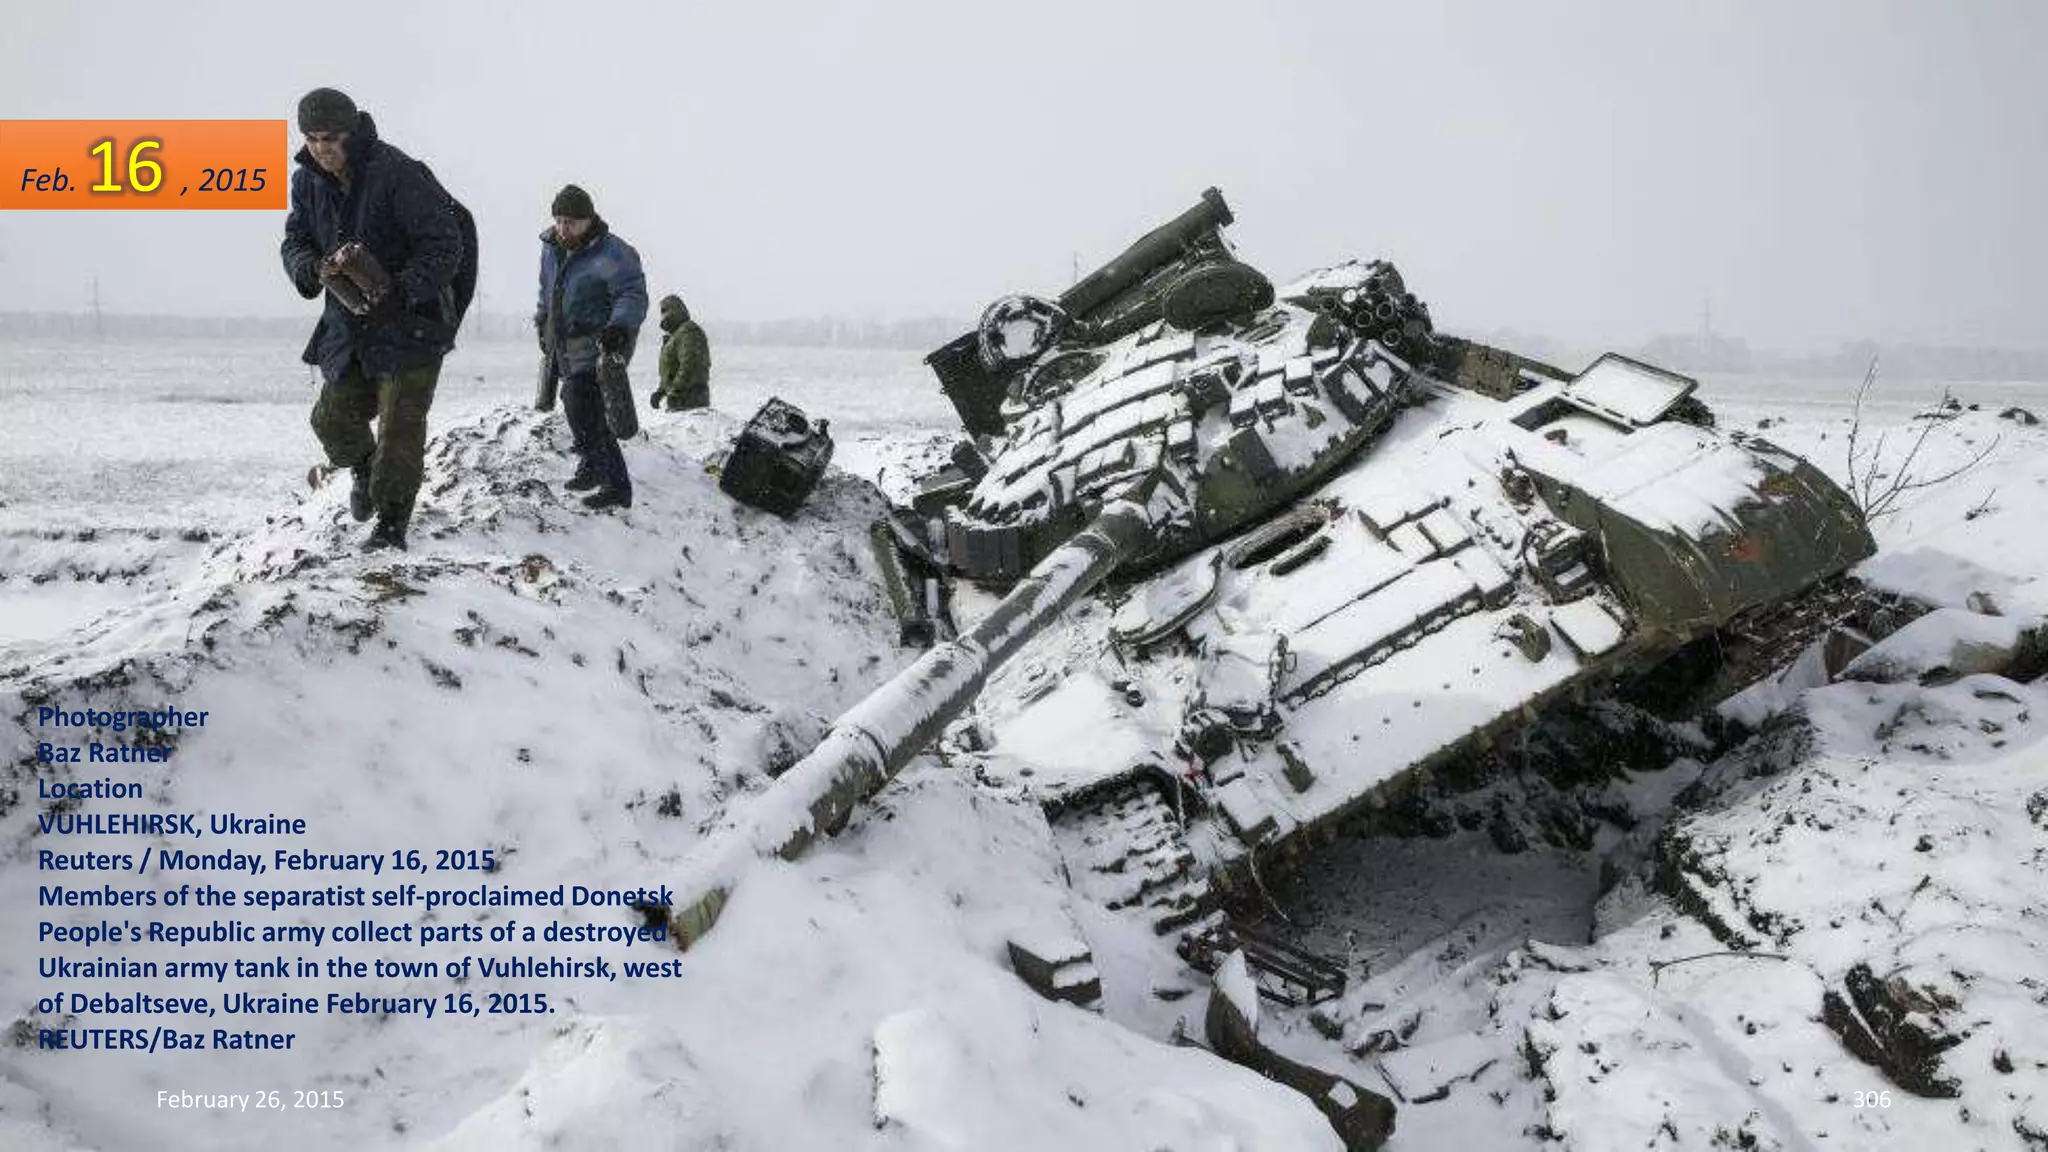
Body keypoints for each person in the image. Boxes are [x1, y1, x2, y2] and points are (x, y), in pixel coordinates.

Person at [281, 87, 475, 552]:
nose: (321, 148)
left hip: (413, 325)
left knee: (399, 432)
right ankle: (364, 469)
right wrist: (312, 268)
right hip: (348, 325)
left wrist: (402, 292)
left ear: (351, 134)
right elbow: (295, 240)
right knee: (331, 419)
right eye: (311, 139)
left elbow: (445, 243)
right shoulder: (306, 182)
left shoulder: (398, 174)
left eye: (330, 138)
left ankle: (391, 527)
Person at [535, 185, 647, 510]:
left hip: (603, 341)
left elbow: (630, 292)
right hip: (565, 343)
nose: (563, 228)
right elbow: (546, 288)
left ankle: (598, 467)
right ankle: (612, 482)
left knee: (578, 397)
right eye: (558, 220)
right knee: (589, 409)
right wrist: (542, 320)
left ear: (588, 220)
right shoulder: (551, 248)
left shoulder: (609, 253)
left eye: (570, 222)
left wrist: (619, 327)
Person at [652, 294, 711, 411]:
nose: (663, 315)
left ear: (675, 310)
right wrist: (661, 391)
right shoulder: (675, 336)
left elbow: (690, 364)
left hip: (690, 399)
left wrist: (676, 390)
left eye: (665, 310)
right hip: (679, 400)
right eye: (662, 311)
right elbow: (670, 370)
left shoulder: (688, 331)